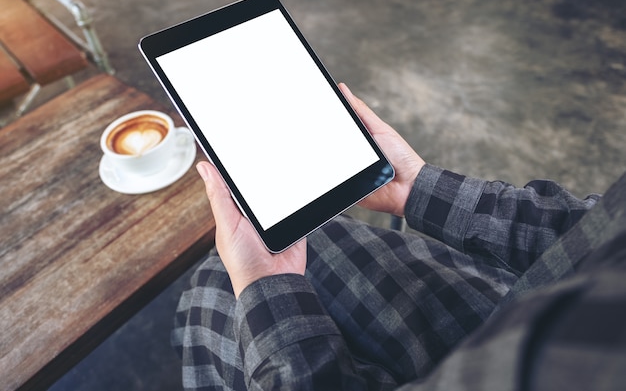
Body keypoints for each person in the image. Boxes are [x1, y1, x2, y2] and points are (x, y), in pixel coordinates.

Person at [172, 83, 626, 390]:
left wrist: (261, 287)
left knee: (216, 295)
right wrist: (418, 187)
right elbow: (603, 228)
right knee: (308, 237)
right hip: (527, 304)